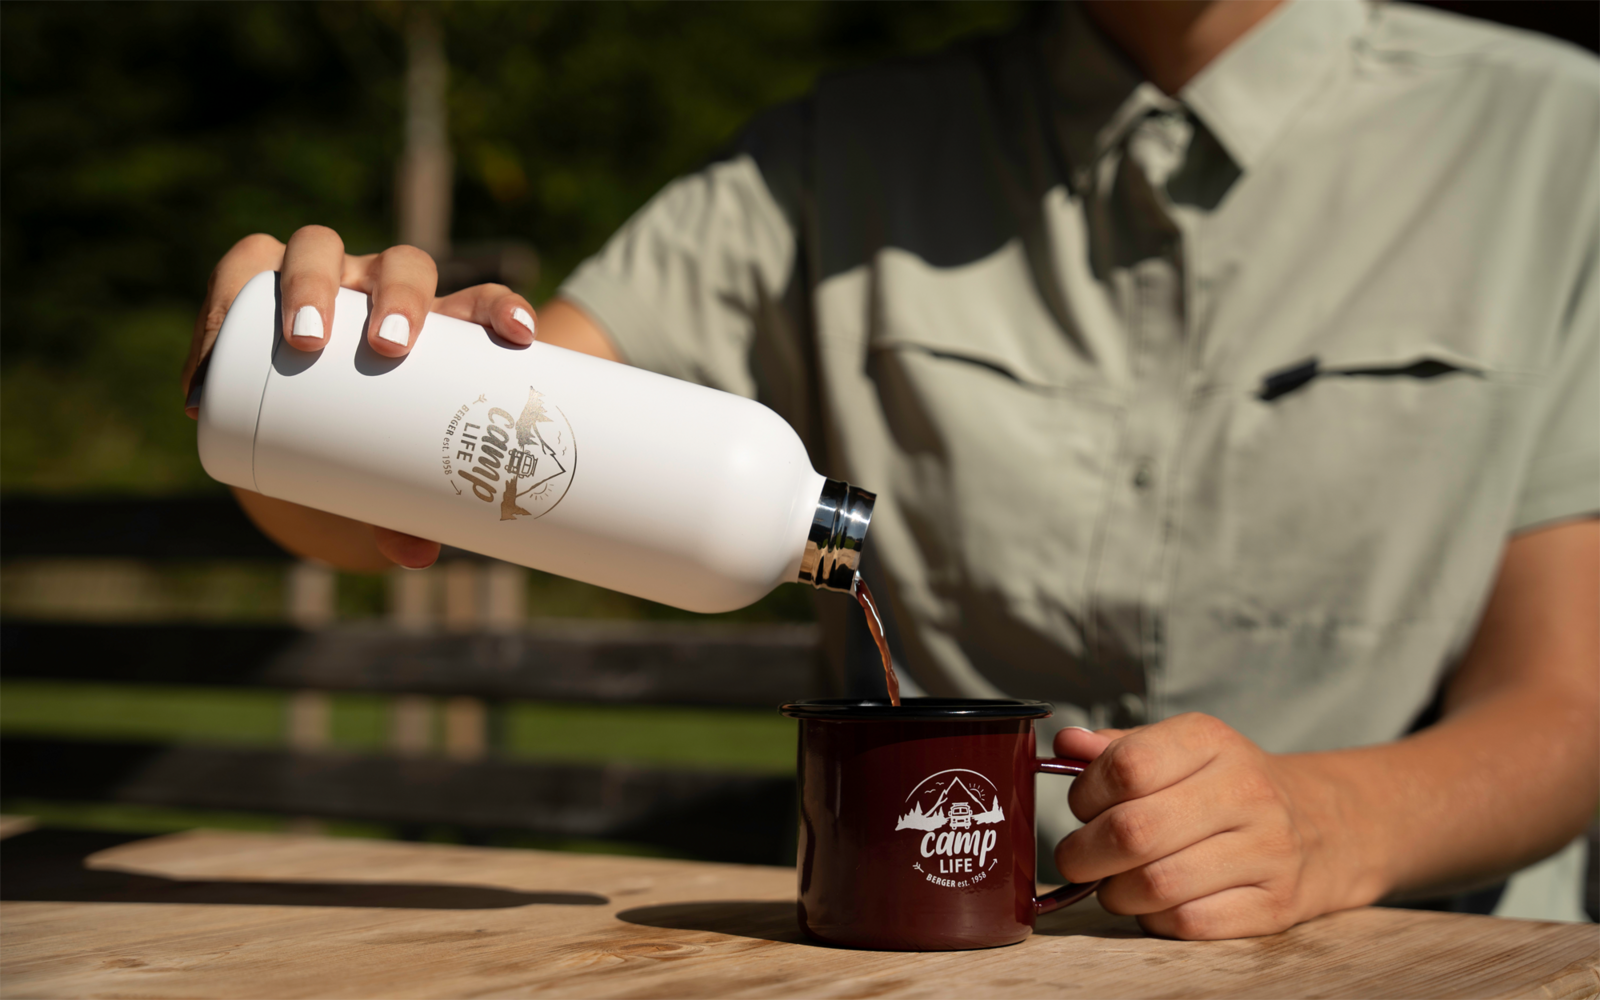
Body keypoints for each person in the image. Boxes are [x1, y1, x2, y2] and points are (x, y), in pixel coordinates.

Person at [181, 0, 1598, 937]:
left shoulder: (1556, 147)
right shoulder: (833, 165)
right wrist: (321, 403)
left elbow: (1570, 701)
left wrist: (1327, 822)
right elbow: (511, 442)